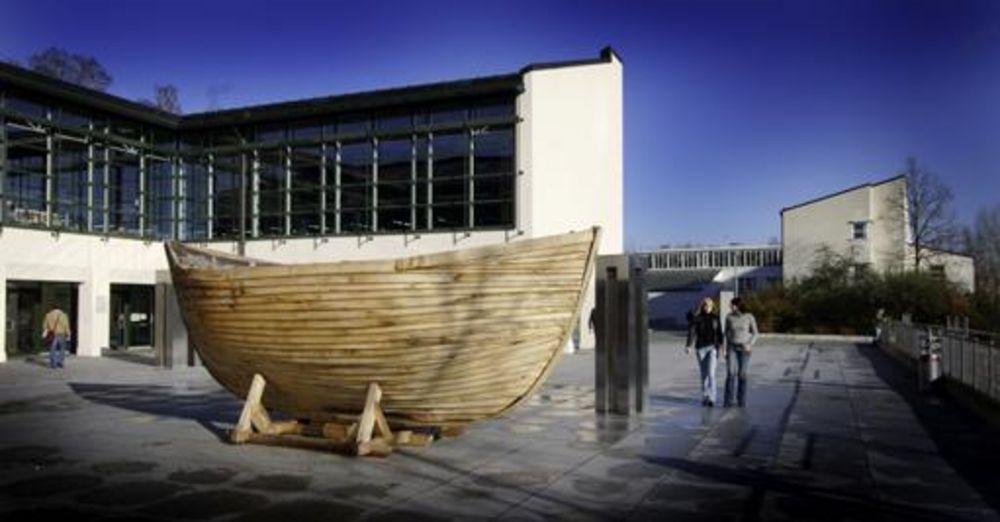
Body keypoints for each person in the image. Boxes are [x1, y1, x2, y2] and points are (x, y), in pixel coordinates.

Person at [686, 297, 722, 407]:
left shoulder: (716, 318)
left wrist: (723, 348)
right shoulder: (698, 318)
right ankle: (705, 396)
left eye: (710, 305)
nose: (707, 307)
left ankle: (712, 398)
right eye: (705, 305)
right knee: (704, 375)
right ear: (703, 306)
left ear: (712, 307)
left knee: (711, 374)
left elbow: (720, 334)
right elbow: (691, 331)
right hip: (700, 348)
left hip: (712, 348)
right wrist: (688, 345)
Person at [723, 297, 758, 407]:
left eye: (732, 305)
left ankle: (741, 400)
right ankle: (728, 400)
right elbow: (725, 334)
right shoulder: (729, 317)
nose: (730, 307)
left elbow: (756, 333)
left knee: (742, 374)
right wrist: (724, 349)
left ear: (738, 305)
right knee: (730, 373)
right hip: (732, 348)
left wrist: (750, 344)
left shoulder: (749, 317)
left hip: (744, 349)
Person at [43, 304, 71, 369]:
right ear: (59, 308)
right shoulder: (64, 315)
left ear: (52, 308)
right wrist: (68, 333)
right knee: (62, 348)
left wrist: (48, 330)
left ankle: (53, 364)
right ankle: (61, 362)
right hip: (61, 333)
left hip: (53, 334)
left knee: (52, 349)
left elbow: (44, 326)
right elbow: (66, 325)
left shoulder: (48, 315)